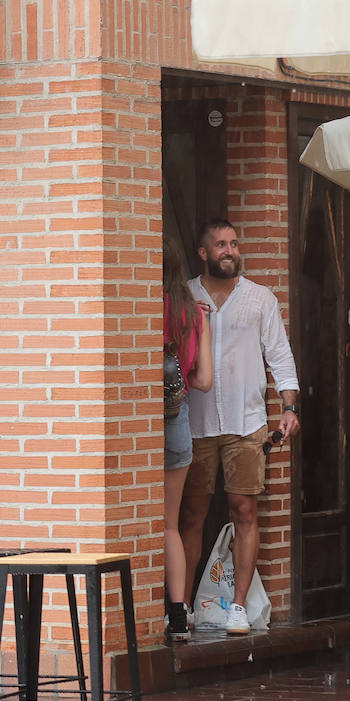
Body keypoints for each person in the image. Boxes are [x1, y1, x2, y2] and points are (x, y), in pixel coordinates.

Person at [179, 218, 300, 637]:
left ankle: (237, 607)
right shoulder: (186, 295)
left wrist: (289, 406)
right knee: (191, 513)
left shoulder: (260, 298)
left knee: (244, 510)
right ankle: (183, 608)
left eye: (233, 244)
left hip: (247, 423)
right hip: (194, 423)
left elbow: (280, 356)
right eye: (220, 245)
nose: (229, 251)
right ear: (203, 252)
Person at [163, 246, 214, 643]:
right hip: (177, 419)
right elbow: (204, 381)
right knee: (170, 524)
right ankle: (178, 616)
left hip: (138, 421)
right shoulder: (194, 314)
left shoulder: (142, 308)